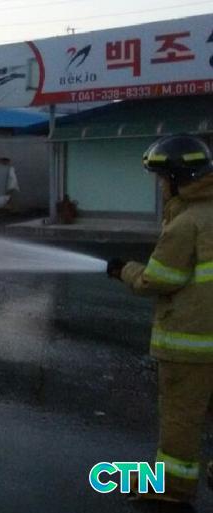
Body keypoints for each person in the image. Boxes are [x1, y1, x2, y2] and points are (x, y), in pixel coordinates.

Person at [107, 134, 213, 504]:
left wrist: (124, 270)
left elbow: (158, 279)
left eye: (161, 178)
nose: (159, 186)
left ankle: (173, 485)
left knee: (181, 416)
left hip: (192, 343)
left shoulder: (187, 222)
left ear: (177, 178)